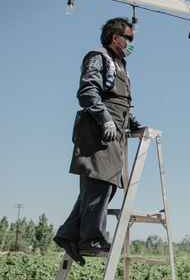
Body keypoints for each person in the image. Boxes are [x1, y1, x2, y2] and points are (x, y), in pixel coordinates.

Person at [53, 17, 144, 267]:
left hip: (114, 129)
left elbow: (120, 101)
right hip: (99, 129)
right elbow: (88, 91)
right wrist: (105, 120)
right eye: (129, 37)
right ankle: (91, 239)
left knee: (105, 184)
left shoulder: (119, 63)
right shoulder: (99, 57)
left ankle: (69, 234)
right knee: (99, 183)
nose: (131, 42)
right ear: (116, 38)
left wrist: (133, 123)